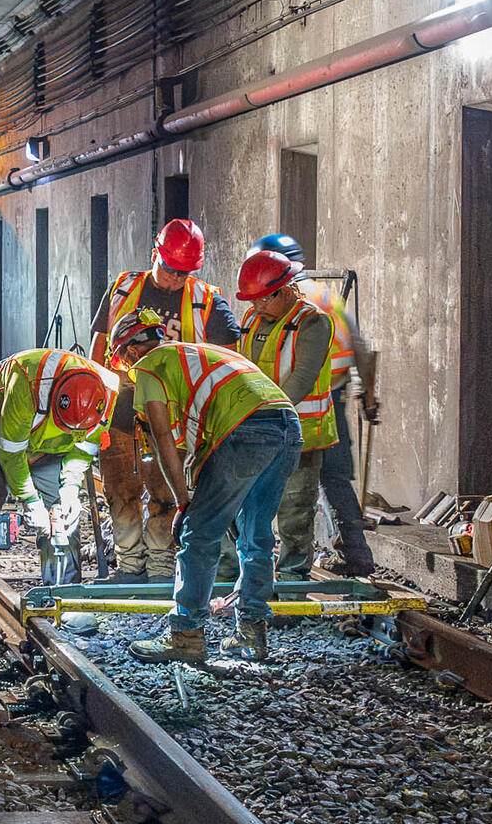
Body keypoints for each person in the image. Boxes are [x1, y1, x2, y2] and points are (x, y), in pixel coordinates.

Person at [107, 309, 298, 666]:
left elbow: (163, 439)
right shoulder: (201, 354)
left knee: (198, 535)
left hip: (243, 431)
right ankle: (252, 634)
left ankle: (187, 636)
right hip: (287, 427)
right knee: (256, 536)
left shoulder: (149, 365)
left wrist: (183, 503)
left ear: (131, 351)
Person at [89, 217, 240, 581]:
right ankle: (128, 564)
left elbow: (230, 353)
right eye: (170, 269)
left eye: (183, 273)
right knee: (120, 488)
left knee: (166, 491)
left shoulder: (205, 300)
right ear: (156, 254)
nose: (174, 278)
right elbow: (98, 346)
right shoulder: (124, 288)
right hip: (122, 409)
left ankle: (160, 564)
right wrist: (95, 407)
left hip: (174, 416)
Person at [0, 348, 116, 646]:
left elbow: (84, 450)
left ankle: (63, 599)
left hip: (53, 445)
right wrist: (32, 503)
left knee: (63, 518)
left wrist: (70, 489)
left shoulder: (107, 394)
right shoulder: (26, 385)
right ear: (53, 401)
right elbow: (12, 458)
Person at [255, 231, 379, 575]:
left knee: (294, 491)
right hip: (329, 405)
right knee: (334, 480)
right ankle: (356, 555)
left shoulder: (283, 302)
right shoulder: (326, 296)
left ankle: (290, 564)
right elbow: (359, 346)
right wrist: (367, 394)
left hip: (291, 407)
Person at [234, 248, 337, 578]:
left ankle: (292, 585)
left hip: (300, 437)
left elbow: (302, 379)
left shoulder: (312, 323)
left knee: (294, 515)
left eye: (264, 300)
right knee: (248, 512)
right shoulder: (251, 320)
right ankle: (251, 581)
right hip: (258, 434)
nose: (257, 307)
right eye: (253, 301)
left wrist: (262, 417)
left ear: (285, 289)